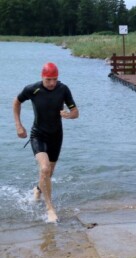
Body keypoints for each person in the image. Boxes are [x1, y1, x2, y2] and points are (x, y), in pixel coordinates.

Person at [13, 62, 79, 223]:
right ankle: (50, 209)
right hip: (38, 135)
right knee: (44, 168)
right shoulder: (32, 89)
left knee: (48, 173)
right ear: (42, 77)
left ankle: (37, 189)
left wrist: (68, 115)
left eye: (54, 79)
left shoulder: (63, 89)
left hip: (56, 136)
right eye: (48, 79)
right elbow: (16, 102)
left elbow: (76, 112)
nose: (51, 83)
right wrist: (18, 125)